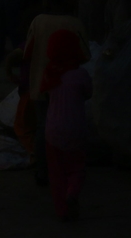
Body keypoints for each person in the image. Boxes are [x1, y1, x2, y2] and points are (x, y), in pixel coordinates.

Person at [24, 0, 88, 186]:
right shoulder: (74, 23)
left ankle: (43, 172)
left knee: (44, 129)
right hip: (67, 89)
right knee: (71, 128)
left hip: (41, 85)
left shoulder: (38, 21)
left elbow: (27, 53)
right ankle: (68, 172)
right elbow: (85, 54)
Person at [41, 29, 92, 221]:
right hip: (76, 129)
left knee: (57, 174)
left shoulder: (50, 74)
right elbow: (88, 93)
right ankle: (73, 193)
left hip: (52, 131)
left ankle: (62, 210)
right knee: (76, 168)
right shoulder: (80, 75)